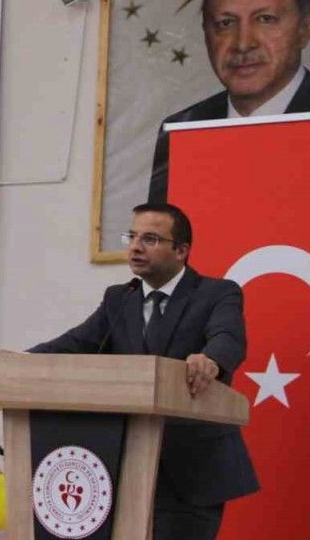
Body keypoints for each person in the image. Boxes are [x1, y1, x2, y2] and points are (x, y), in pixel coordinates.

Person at [29, 203, 258, 540]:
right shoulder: (120, 298)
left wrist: (211, 359)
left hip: (192, 470)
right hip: (126, 464)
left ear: (181, 251)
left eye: (150, 239)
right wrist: (21, 360)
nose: (135, 247)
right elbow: (76, 343)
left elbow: (228, 338)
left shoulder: (216, 293)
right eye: (132, 237)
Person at [147, 0, 310, 203]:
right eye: (225, 23)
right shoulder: (182, 131)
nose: (243, 44)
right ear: (206, 33)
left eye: (265, 19)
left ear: (305, 28)